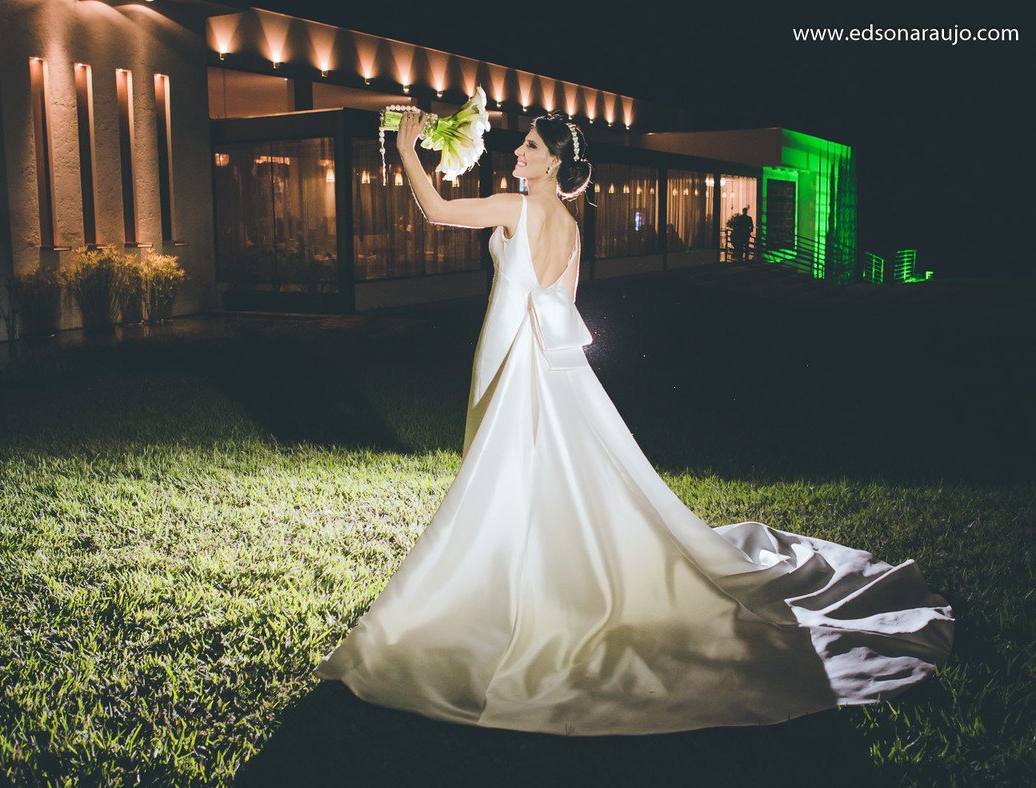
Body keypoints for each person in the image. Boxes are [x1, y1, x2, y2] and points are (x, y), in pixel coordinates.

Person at [316, 111, 952, 736]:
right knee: (548, 476)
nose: (517, 156)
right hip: (545, 356)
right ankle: (537, 575)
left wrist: (405, 152)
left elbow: (436, 211)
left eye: (529, 148)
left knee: (503, 474)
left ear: (553, 161)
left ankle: (503, 592)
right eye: (520, 148)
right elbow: (565, 305)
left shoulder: (517, 209)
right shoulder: (569, 223)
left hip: (513, 356)